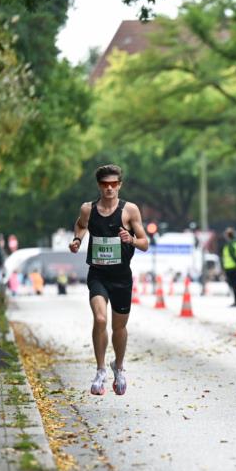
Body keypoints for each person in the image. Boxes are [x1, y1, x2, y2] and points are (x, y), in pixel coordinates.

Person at [69, 164, 149, 396]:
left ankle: (119, 367)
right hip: (98, 274)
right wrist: (77, 240)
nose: (110, 188)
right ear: (99, 186)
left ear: (120, 185)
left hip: (122, 276)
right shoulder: (88, 209)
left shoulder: (129, 210)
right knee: (101, 319)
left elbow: (145, 243)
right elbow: (81, 226)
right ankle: (101, 369)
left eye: (114, 184)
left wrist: (131, 239)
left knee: (119, 326)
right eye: (105, 184)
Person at [221, 228, 236, 307]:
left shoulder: (230, 244)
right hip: (233, 267)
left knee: (233, 284)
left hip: (231, 268)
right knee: (234, 284)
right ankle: (235, 299)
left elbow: (232, 256)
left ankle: (235, 300)